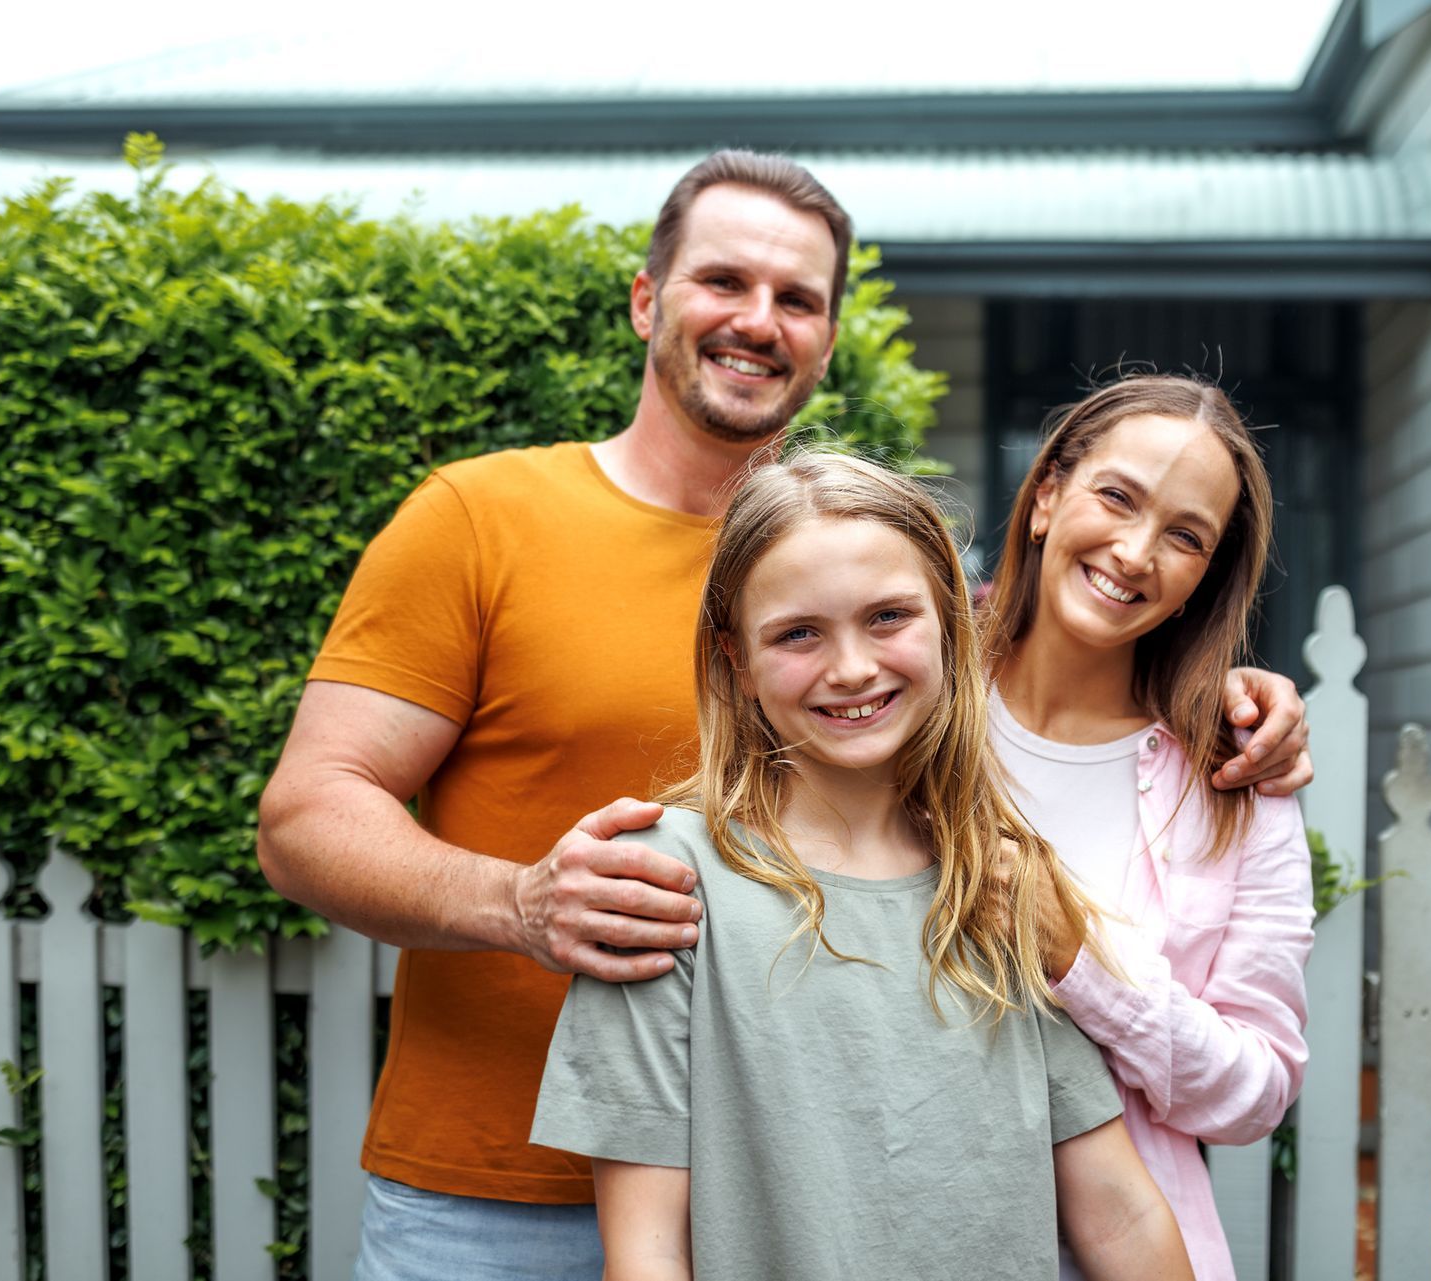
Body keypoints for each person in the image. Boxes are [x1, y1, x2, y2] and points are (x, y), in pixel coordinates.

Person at [255, 149, 1311, 1278]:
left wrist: (1236, 693)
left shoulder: (885, 581)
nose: (758, 321)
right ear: (646, 299)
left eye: (798, 299)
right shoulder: (481, 518)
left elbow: (1076, 638)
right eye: (724, 282)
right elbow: (304, 819)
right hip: (491, 1195)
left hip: (804, 1200)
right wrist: (521, 902)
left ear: (827, 337)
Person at [531, 451, 1195, 1280]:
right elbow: (648, 1251)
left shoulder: (995, 879)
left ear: (952, 625)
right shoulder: (665, 884)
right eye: (799, 632)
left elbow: (1121, 1213)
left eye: (888, 616)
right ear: (736, 660)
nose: (851, 667)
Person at [983, 374, 1316, 1280]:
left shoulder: (1238, 780)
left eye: (1185, 536)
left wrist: (1081, 962)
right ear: (1048, 492)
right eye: (1117, 497)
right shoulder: (913, 703)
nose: (1134, 552)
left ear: (1205, 575)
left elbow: (1257, 1091)